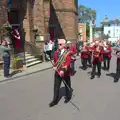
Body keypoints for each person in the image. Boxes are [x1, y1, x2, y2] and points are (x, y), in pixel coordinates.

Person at [49, 39, 72, 107]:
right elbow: (55, 62)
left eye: (60, 44)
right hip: (57, 73)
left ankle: (68, 97)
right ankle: (55, 100)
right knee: (56, 87)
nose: (58, 45)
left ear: (64, 45)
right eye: (58, 44)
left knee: (67, 85)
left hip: (65, 73)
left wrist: (63, 70)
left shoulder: (67, 52)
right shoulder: (56, 52)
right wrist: (54, 67)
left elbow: (68, 63)